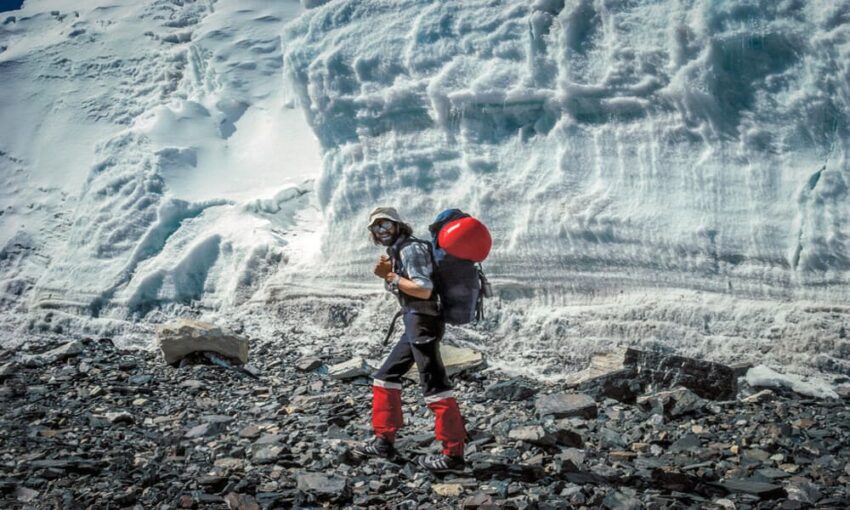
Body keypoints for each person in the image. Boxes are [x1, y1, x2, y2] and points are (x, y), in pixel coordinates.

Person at [352, 206, 467, 472]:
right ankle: (383, 440)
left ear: (398, 225)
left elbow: (423, 289)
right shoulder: (400, 249)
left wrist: (389, 276)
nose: (381, 231)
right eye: (376, 227)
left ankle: (453, 455)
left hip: (423, 323)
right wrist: (390, 275)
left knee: (435, 385)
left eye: (386, 224)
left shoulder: (410, 249)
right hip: (415, 322)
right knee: (385, 376)